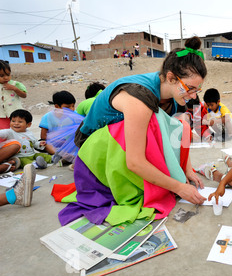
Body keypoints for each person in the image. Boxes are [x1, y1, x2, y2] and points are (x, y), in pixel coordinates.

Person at [58, 37, 208, 227]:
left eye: (198, 89)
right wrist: (179, 187)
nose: (194, 96)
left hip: (118, 143)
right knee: (156, 122)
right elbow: (135, 162)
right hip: (95, 152)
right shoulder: (139, 99)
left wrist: (186, 168)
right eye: (190, 88)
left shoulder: (169, 93)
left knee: (180, 123)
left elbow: (175, 132)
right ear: (170, 77)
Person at [0, 60, 27, 130]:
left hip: (16, 115)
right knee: (3, 134)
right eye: (1, 75)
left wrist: (15, 89)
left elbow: (24, 95)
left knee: (17, 131)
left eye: (8, 74)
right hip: (1, 116)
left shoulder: (15, 84)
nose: (6, 78)